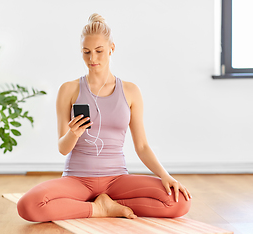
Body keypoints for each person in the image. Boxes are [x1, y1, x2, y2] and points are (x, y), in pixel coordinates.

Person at [17, 13, 192, 222]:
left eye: (99, 51)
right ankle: (98, 209)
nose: (92, 59)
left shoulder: (130, 91)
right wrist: (73, 134)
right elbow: (63, 148)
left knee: (180, 201)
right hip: (77, 179)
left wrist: (166, 176)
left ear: (112, 48)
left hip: (117, 179)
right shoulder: (69, 89)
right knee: (28, 206)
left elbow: (142, 146)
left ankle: (110, 204)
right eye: (86, 52)